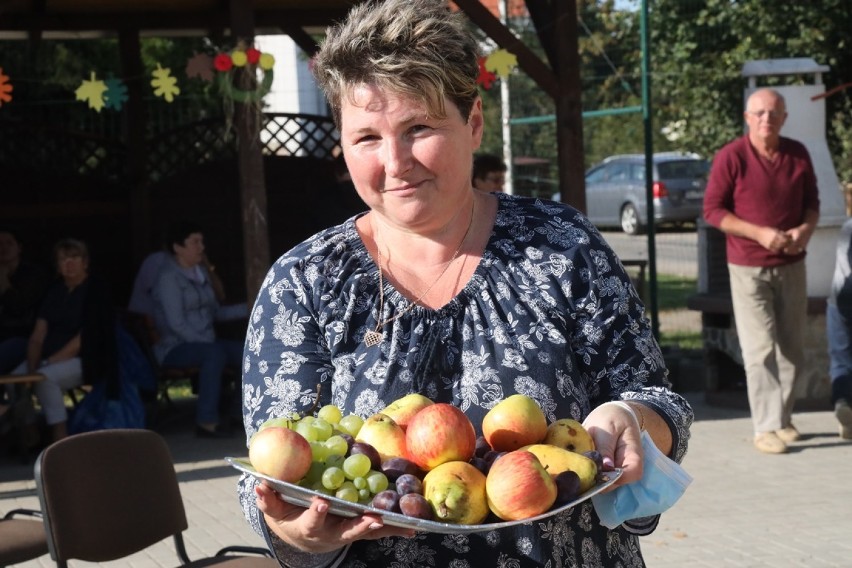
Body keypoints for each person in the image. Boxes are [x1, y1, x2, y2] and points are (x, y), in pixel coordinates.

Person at [238, 1, 693, 566]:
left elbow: (659, 401)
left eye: (418, 128)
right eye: (367, 139)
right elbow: (270, 469)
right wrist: (297, 534)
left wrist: (633, 419)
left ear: (473, 122)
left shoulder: (560, 246)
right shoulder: (305, 283)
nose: (396, 162)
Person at [703, 87, 820, 455]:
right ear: (747, 118)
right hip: (748, 266)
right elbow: (713, 210)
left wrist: (803, 232)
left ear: (784, 118)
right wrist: (760, 234)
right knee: (760, 349)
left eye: (774, 113)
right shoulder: (731, 157)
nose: (767, 119)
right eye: (759, 113)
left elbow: (812, 204)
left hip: (792, 264)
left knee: (792, 348)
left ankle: (782, 420)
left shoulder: (797, 154)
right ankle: (764, 427)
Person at [6, 238, 118, 443]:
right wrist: (32, 369)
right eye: (63, 259)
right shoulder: (54, 291)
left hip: (85, 358)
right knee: (14, 380)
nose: (69, 263)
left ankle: (60, 435)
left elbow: (85, 337)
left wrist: (46, 366)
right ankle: (30, 431)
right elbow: (38, 335)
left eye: (74, 257)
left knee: (46, 380)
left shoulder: (96, 289)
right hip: (47, 358)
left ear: (85, 262)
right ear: (57, 265)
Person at [151, 221, 246, 438]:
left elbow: (216, 314)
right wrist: (207, 344)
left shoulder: (200, 273)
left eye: (201, 241)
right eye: (195, 242)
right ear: (178, 247)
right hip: (174, 347)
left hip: (206, 343)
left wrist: (249, 307)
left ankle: (239, 413)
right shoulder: (168, 278)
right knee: (214, 354)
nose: (201, 247)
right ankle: (206, 422)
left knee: (246, 351)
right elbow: (176, 325)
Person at [0, 229, 50, 374]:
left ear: (19, 248)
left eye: (9, 243)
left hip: (24, 337)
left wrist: (3, 281)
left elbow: (19, 307)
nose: (3, 247)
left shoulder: (34, 275)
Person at [827, 216, 852, 439]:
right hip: (845, 298)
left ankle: (843, 402)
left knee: (841, 359)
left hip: (838, 301)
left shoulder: (847, 227)